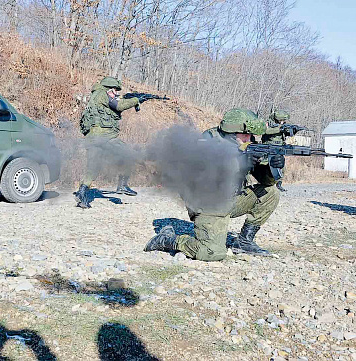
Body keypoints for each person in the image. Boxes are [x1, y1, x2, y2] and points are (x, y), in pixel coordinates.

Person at [144, 108, 285, 260]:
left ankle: (244, 241)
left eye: (251, 135)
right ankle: (168, 240)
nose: (248, 138)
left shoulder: (247, 145)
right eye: (245, 135)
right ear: (232, 133)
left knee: (270, 193)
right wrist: (240, 163)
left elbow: (265, 181)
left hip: (231, 200)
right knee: (212, 252)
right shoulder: (208, 141)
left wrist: (272, 167)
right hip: (208, 204)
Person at [75, 76, 143, 208]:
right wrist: (136, 100)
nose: (116, 94)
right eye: (114, 91)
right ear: (108, 89)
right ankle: (122, 185)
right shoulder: (102, 94)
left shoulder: (95, 97)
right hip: (105, 136)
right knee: (129, 154)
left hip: (92, 137)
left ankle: (81, 193)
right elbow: (119, 106)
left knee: (92, 168)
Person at [262, 109, 291, 191]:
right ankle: (266, 184)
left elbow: (286, 133)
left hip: (279, 148)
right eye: (281, 120)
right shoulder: (269, 124)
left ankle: (279, 183)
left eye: (283, 120)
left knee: (281, 166)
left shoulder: (283, 125)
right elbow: (265, 131)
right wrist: (279, 129)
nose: (282, 122)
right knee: (267, 166)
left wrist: (291, 131)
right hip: (269, 148)